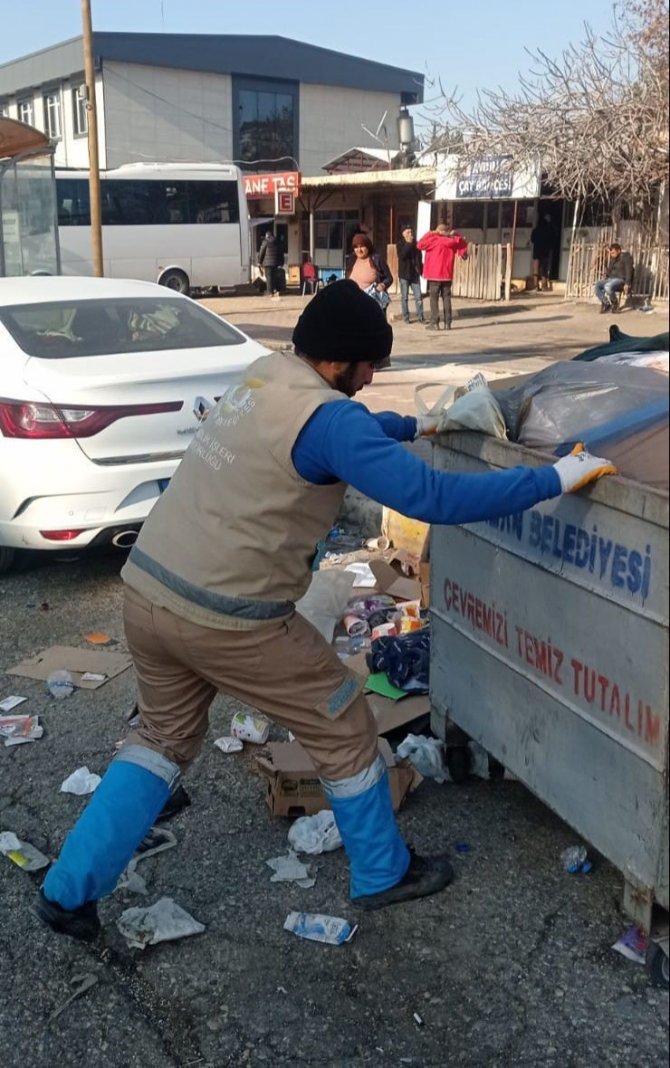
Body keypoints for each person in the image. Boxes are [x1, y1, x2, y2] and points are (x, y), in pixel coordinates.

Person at [33, 280, 617, 942]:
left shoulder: (265, 376)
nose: (371, 377)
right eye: (368, 365)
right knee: (343, 722)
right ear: (341, 359)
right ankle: (382, 873)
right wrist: (553, 480)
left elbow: (341, 433)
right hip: (231, 618)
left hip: (149, 594)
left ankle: (67, 893)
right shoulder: (331, 418)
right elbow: (431, 496)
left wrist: (416, 424)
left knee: (162, 739)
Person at [346, 232, 393, 366]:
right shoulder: (351, 259)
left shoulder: (376, 259)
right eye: (356, 247)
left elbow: (389, 278)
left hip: (373, 300)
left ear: (368, 246)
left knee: (376, 330)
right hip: (355, 300)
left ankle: (380, 359)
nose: (359, 250)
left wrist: (382, 285)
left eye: (362, 246)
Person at [416, 223, 468, 331]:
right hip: (447, 275)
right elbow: (462, 242)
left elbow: (419, 244)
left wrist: (430, 233)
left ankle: (435, 323)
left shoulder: (433, 240)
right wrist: (455, 233)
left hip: (434, 275)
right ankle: (447, 323)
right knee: (446, 298)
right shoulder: (452, 241)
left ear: (438, 231)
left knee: (434, 300)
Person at [396, 224, 424, 323]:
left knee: (418, 297)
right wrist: (408, 244)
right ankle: (406, 317)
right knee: (405, 297)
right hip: (404, 275)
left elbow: (419, 258)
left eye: (411, 232)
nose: (410, 234)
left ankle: (420, 316)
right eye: (408, 232)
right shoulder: (400, 244)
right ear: (403, 234)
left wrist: (421, 270)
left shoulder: (416, 244)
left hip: (415, 274)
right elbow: (402, 256)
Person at [594, 243, 633, 313]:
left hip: (621, 280)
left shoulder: (626, 258)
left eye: (613, 253)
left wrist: (627, 283)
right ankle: (606, 303)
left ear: (619, 251)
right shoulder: (613, 259)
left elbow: (628, 271)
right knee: (598, 285)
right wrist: (606, 274)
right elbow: (609, 270)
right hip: (611, 279)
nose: (612, 255)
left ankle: (615, 304)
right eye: (611, 253)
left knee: (607, 286)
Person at [530, 213, 554, 292]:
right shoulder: (548, 230)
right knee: (544, 269)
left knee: (536, 270)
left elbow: (532, 240)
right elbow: (551, 240)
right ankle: (544, 286)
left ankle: (536, 286)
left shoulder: (535, 230)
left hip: (536, 252)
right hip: (545, 252)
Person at [258, 230, 283, 299]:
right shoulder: (277, 242)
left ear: (267, 236)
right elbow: (280, 252)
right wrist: (281, 262)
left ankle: (269, 292)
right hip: (275, 263)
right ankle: (274, 290)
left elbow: (262, 252)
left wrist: (259, 261)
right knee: (273, 277)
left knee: (268, 277)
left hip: (267, 263)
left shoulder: (265, 242)